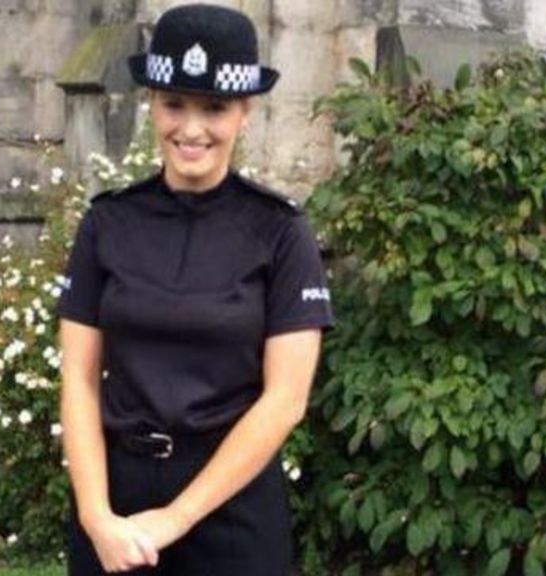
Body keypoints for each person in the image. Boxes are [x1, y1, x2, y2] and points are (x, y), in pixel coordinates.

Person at [55, 4, 335, 575]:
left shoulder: (281, 232)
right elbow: (79, 381)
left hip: (231, 507)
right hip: (116, 498)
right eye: (174, 103)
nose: (191, 128)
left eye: (214, 108)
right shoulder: (107, 223)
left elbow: (285, 400)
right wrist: (97, 517)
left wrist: (175, 518)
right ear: (152, 104)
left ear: (244, 112)